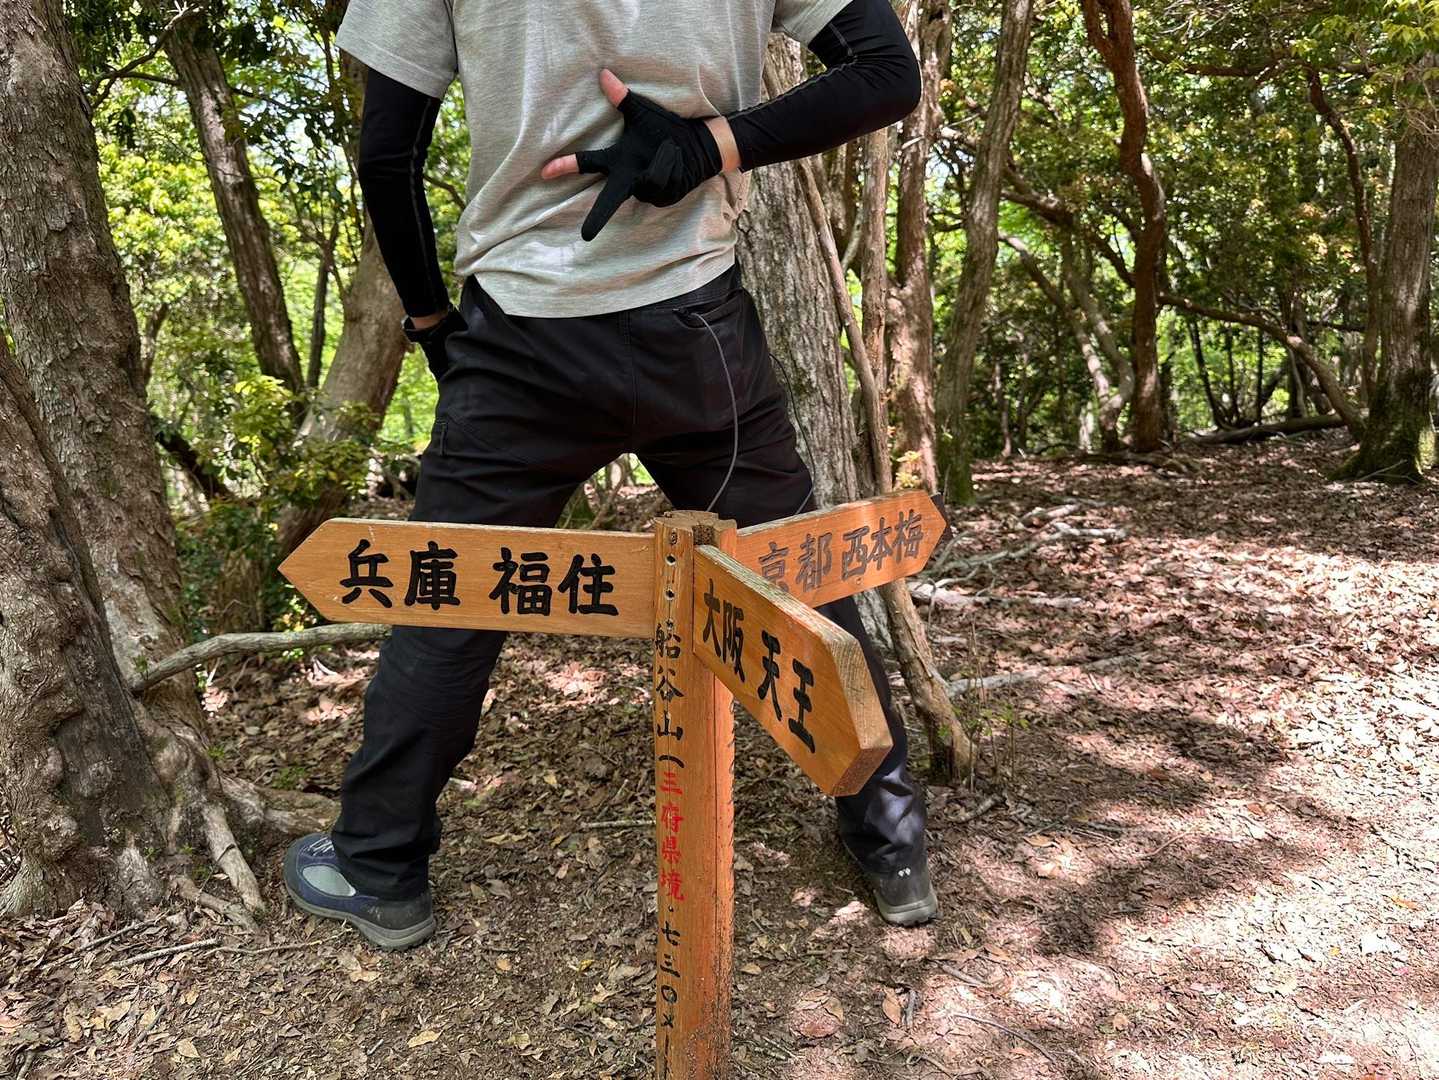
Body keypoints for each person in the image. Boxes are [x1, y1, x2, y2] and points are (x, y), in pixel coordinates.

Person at [284, 0, 937, 950]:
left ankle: (378, 865)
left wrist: (429, 320)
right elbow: (885, 72)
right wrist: (712, 145)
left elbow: (387, 153)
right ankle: (892, 843)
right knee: (798, 578)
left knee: (450, 598)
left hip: (518, 336)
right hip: (695, 330)